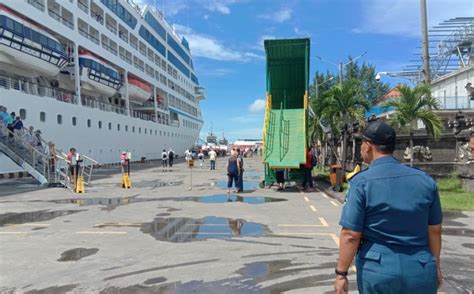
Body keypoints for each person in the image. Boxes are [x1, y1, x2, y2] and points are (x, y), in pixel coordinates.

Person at [334, 121, 442, 294]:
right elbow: (435, 230)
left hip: (378, 268)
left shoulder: (361, 183)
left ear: (368, 146)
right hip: (420, 267)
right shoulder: (425, 181)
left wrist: (341, 274)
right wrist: (435, 266)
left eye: (362, 143)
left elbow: (350, 235)